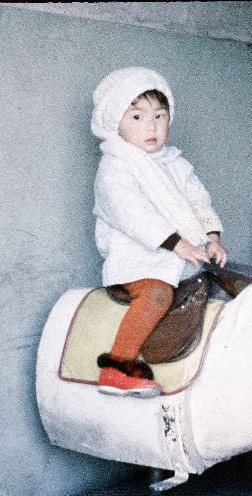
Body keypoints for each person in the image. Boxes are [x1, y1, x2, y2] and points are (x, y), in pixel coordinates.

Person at [90, 66, 228, 398]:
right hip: (138, 261)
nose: (151, 126)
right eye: (137, 117)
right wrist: (175, 243)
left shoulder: (175, 163)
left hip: (184, 257)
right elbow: (130, 212)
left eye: (159, 116)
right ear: (115, 123)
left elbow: (198, 200)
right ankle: (116, 367)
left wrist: (211, 238)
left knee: (227, 286)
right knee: (157, 294)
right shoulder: (115, 165)